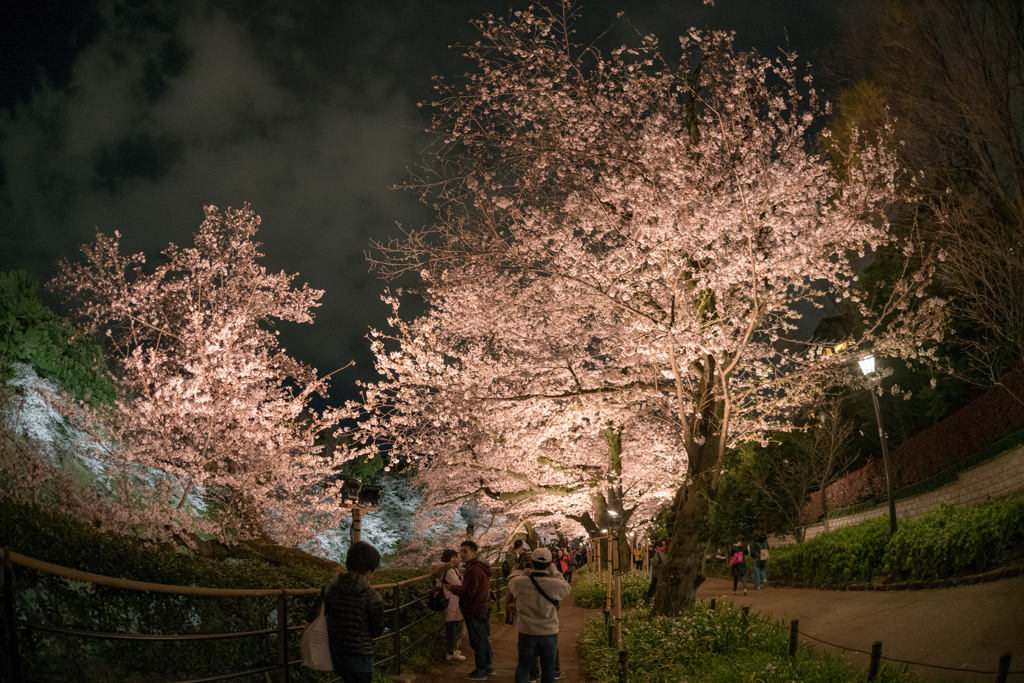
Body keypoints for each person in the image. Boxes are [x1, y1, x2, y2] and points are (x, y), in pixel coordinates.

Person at [307, 541, 384, 683]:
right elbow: (377, 631)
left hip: (335, 655)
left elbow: (312, 616)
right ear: (369, 570)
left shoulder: (329, 589)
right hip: (361, 660)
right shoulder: (373, 596)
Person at [508, 548, 572, 683]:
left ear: (531, 562)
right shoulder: (555, 584)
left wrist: (527, 570)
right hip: (549, 632)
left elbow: (512, 583)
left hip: (526, 631)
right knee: (548, 669)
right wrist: (553, 570)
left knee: (524, 667)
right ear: (550, 564)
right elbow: (566, 587)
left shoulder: (519, 583)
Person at [447, 540, 494, 680]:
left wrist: (453, 588)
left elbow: (469, 591)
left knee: (477, 641)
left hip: (474, 609)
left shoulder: (473, 569)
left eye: (465, 551)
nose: (462, 554)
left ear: (474, 553)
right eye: (460, 551)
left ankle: (480, 671)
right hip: (482, 607)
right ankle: (488, 667)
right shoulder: (481, 567)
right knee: (484, 640)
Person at [431, 549, 466, 661]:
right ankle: (451, 652)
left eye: (456, 556)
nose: (456, 559)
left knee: (453, 624)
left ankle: (452, 650)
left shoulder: (444, 569)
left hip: (449, 599)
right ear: (447, 558)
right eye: (452, 557)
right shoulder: (449, 571)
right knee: (453, 625)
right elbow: (458, 585)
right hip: (452, 599)